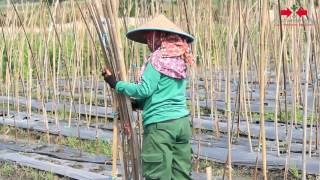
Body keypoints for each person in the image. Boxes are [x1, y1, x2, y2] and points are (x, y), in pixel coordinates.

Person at [102, 14, 194, 180]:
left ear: (158, 36)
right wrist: (138, 105)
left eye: (150, 37)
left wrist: (115, 84)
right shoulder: (180, 58)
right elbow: (163, 93)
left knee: (157, 174)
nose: (148, 42)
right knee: (180, 175)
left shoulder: (158, 58)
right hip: (182, 124)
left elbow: (144, 89)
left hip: (161, 127)